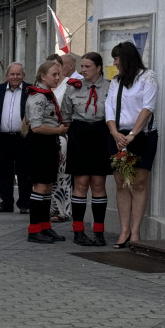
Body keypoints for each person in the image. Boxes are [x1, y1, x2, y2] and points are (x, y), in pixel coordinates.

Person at [105, 41, 159, 247]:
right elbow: (109, 107)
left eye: (117, 58)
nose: (114, 62)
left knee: (138, 183)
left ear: (127, 58)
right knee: (121, 184)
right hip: (118, 135)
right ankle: (124, 230)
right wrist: (115, 133)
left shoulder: (148, 77)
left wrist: (133, 134)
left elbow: (148, 107)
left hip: (142, 134)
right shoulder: (115, 81)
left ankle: (135, 233)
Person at [61, 52, 110, 246]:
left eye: (87, 66)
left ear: (98, 68)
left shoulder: (111, 87)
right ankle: (78, 232)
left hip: (101, 133)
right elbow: (65, 115)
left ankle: (99, 232)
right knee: (80, 184)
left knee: (98, 184)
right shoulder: (73, 87)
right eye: (82, 66)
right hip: (79, 134)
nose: (83, 70)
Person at [25, 60, 69, 243]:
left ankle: (45, 226)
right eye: (54, 74)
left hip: (49, 143)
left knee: (49, 186)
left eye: (59, 74)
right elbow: (36, 127)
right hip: (39, 144)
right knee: (40, 186)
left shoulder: (48, 95)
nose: (57, 78)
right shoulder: (38, 97)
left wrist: (57, 145)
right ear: (43, 76)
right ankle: (34, 230)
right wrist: (59, 131)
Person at [0, 62, 32, 213]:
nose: (15, 77)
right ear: (7, 76)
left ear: (23, 76)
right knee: (4, 172)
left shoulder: (30, 90)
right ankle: (6, 203)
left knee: (24, 172)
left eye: (18, 74)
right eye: (12, 74)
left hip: (23, 138)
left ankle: (24, 204)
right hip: (3, 138)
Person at [50, 53, 80, 223]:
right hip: (44, 134)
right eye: (51, 65)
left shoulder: (69, 84)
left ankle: (62, 210)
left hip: (62, 134)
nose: (55, 68)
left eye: (57, 65)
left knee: (61, 173)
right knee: (46, 174)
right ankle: (48, 208)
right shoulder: (44, 85)